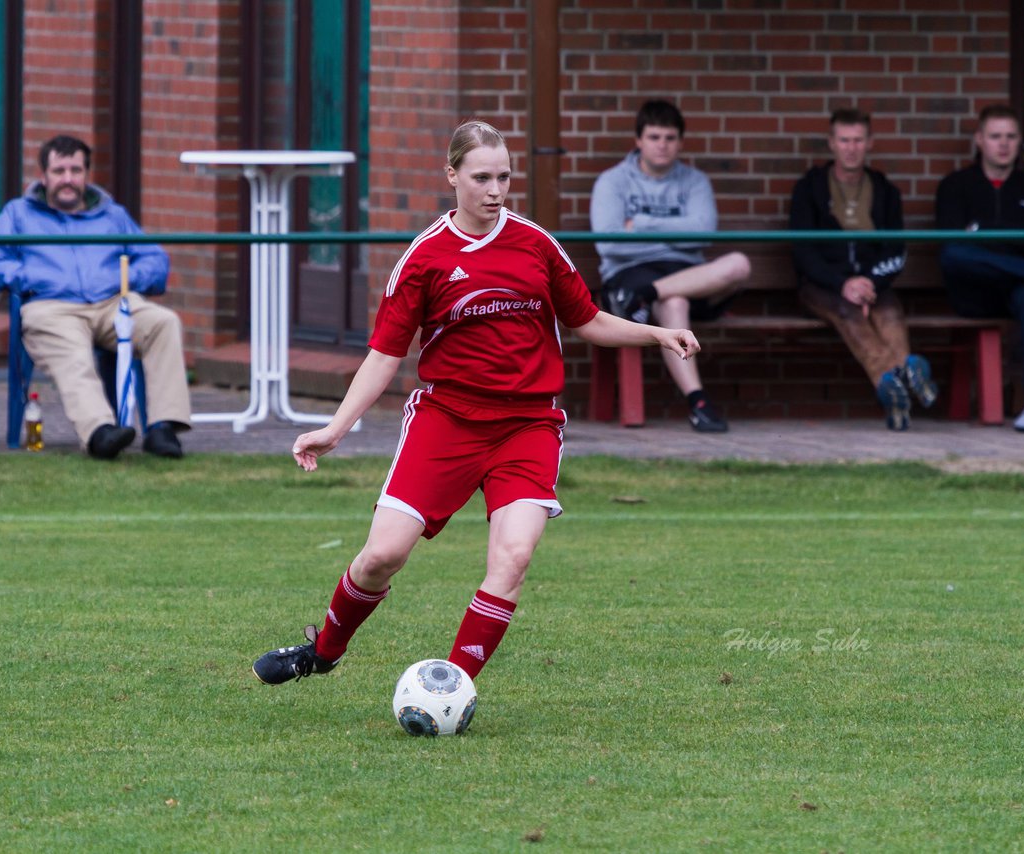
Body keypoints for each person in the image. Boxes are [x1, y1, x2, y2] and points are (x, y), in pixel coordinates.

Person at [252, 120, 701, 688]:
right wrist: (336, 428)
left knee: (512, 559)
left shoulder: (537, 245)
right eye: (481, 177)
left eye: (504, 177)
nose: (495, 190)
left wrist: (656, 333)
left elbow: (587, 320)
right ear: (452, 177)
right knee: (380, 557)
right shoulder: (424, 258)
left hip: (527, 427)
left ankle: (452, 686)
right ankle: (322, 650)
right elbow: (384, 356)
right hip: (447, 422)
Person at [0, 135, 191, 458]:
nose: (68, 179)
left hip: (111, 303)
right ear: (44, 175)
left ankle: (162, 428)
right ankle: (100, 433)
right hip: (51, 307)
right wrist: (33, 279)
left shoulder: (113, 215)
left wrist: (125, 279)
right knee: (73, 355)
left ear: (87, 175)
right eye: (59, 170)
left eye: (76, 170)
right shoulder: (18, 214)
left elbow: (155, 260)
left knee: (164, 322)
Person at [590, 99, 750, 433]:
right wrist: (677, 233)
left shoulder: (695, 182)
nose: (662, 145)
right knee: (674, 302)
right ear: (639, 141)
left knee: (739, 264)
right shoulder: (612, 182)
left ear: (680, 141)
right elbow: (609, 243)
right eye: (654, 137)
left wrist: (640, 225)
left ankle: (645, 295)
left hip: (686, 276)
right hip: (631, 271)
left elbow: (704, 234)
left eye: (670, 138)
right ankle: (698, 402)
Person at [789, 108, 937, 431]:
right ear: (832, 143)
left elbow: (896, 251)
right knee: (850, 312)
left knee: (889, 313)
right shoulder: (809, 188)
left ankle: (893, 388)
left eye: (858, 140)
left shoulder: (885, 191)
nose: (851, 147)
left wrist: (870, 282)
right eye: (844, 140)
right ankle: (902, 373)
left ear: (870, 142)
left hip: (874, 286)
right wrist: (843, 283)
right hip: (823, 288)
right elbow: (802, 252)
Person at [935, 104, 1024, 433]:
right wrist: (1021, 249)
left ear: (1020, 141)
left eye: (1011, 136)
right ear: (979, 140)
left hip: (1017, 292)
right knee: (955, 255)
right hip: (972, 293)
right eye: (996, 136)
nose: (1004, 144)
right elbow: (952, 242)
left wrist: (981, 234)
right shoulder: (955, 186)